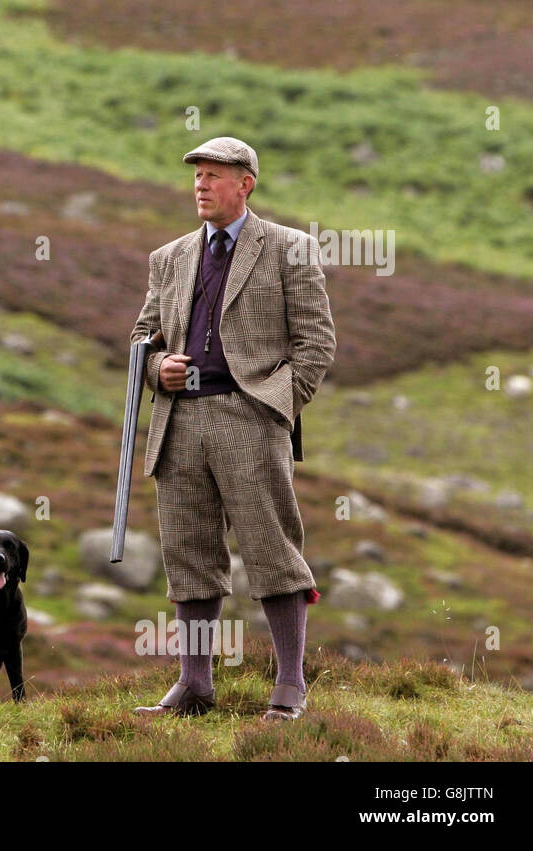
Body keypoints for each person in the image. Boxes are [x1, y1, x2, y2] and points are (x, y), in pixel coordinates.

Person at [128, 137, 335, 721]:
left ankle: (290, 687)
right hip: (180, 420)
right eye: (197, 175)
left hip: (251, 418)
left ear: (246, 183)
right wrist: (156, 369)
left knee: (272, 550)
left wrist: (276, 406)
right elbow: (143, 338)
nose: (200, 185)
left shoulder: (291, 248)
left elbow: (317, 343)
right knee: (189, 555)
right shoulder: (167, 258)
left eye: (213, 175)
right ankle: (194, 686)